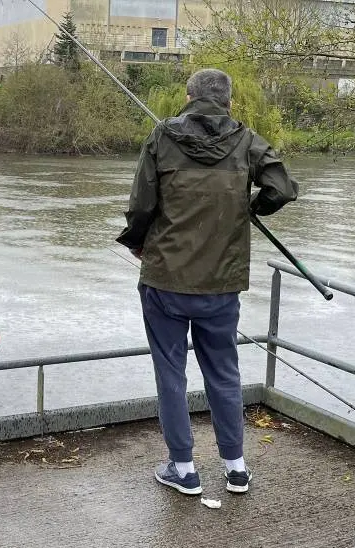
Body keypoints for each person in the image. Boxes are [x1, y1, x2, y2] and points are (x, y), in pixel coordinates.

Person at [116, 69, 299, 497]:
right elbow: (282, 187)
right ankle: (235, 468)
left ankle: (184, 469)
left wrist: (137, 243)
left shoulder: (163, 136)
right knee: (224, 372)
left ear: (187, 96)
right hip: (221, 283)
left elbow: (141, 204)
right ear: (229, 102)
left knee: (171, 374)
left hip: (165, 281)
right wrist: (253, 207)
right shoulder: (246, 140)